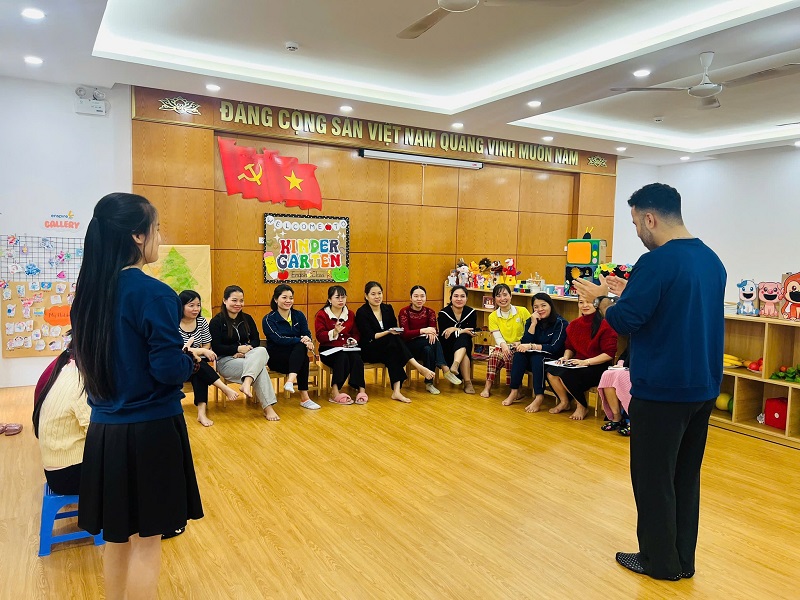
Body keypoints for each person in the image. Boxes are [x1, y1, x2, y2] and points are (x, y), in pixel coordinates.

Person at [573, 182, 725, 581]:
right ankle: (682, 560)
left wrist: (602, 299)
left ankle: (658, 562)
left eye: (636, 222)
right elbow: (673, 307)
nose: (638, 230)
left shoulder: (656, 261)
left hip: (661, 389)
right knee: (684, 477)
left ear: (650, 218)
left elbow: (626, 321)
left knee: (654, 479)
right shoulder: (711, 260)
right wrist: (631, 293)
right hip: (703, 387)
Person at [70, 192, 203, 599]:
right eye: (157, 228)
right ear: (137, 236)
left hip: (105, 432)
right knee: (148, 541)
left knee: (118, 537)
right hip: (151, 431)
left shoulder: (88, 294)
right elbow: (166, 369)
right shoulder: (153, 293)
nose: (160, 237)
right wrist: (190, 362)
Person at [355, 281, 434, 403]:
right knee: (393, 341)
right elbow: (371, 336)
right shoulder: (362, 312)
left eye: (379, 293)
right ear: (366, 296)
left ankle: (396, 392)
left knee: (393, 352)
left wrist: (393, 331)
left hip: (388, 346)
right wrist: (388, 332)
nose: (377, 297)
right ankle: (418, 366)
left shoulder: (387, 308)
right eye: (373, 294)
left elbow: (394, 329)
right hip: (370, 349)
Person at [209, 285, 280, 421]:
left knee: (262, 350)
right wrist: (236, 349)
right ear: (225, 300)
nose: (238, 304)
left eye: (241, 301)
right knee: (260, 369)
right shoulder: (216, 322)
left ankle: (247, 382)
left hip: (248, 357)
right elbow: (217, 347)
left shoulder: (247, 318)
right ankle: (268, 408)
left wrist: (246, 350)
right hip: (226, 361)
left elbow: (255, 340)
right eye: (234, 300)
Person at [545, 297, 617, 420]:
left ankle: (581, 405)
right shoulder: (574, 324)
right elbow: (570, 347)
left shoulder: (606, 324)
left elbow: (609, 354)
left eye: (589, 302)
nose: (585, 305)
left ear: (597, 304)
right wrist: (565, 357)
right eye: (581, 302)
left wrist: (586, 362)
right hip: (579, 362)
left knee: (567, 375)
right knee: (551, 372)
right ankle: (564, 402)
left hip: (598, 365)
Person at [32, 347, 89, 495]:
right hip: (67, 474)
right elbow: (96, 434)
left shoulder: (65, 368)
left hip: (56, 468)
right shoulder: (80, 383)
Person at [179, 290, 240, 427]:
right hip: (180, 364)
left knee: (199, 370)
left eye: (198, 305)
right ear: (181, 306)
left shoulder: (201, 322)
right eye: (191, 305)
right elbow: (179, 349)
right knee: (196, 363)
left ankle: (201, 413)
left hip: (198, 364)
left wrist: (198, 352)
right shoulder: (174, 323)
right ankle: (224, 388)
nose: (196, 309)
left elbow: (207, 345)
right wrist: (200, 351)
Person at [502, 293, 568, 413]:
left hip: (553, 358)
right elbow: (525, 343)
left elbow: (554, 347)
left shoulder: (561, 323)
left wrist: (532, 346)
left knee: (538, 358)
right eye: (536, 307)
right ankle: (514, 391)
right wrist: (533, 324)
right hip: (533, 357)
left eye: (543, 305)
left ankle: (539, 396)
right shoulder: (531, 320)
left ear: (550, 305)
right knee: (519, 354)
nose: (540, 309)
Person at [262, 284, 321, 410]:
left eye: (291, 298)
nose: (288, 301)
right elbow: (278, 339)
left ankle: (291, 381)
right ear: (276, 299)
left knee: (302, 353)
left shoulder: (298, 315)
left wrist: (307, 339)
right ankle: (304, 398)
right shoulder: (268, 319)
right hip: (277, 359)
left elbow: (306, 332)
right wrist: (301, 340)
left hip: (295, 358)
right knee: (302, 351)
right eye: (284, 297)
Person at [399, 285, 462, 395]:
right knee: (432, 341)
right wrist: (423, 331)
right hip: (409, 347)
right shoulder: (404, 312)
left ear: (426, 297)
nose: (419, 299)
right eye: (416, 296)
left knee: (428, 348)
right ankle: (445, 368)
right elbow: (405, 334)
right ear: (410, 298)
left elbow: (434, 331)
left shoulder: (430, 312)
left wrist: (430, 332)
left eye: (422, 296)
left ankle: (429, 384)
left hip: (426, 345)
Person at [314, 285, 368, 405]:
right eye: (337, 297)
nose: (341, 300)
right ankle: (335, 391)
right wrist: (334, 332)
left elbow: (356, 333)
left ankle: (361, 390)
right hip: (328, 350)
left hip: (347, 348)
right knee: (341, 357)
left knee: (356, 358)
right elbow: (320, 336)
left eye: (343, 297)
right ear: (329, 299)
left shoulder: (350, 314)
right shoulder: (322, 315)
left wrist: (352, 340)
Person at [480, 284, 531, 398]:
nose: (502, 298)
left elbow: (530, 331)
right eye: (498, 296)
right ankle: (487, 387)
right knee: (494, 356)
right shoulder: (493, 316)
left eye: (505, 295)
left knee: (511, 357)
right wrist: (504, 346)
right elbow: (497, 336)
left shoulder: (522, 311)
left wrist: (521, 342)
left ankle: (515, 389)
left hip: (521, 346)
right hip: (503, 346)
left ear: (510, 295)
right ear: (494, 299)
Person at [438, 285, 478, 394]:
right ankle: (467, 382)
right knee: (464, 339)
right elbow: (444, 335)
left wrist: (455, 329)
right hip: (447, 348)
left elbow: (472, 332)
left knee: (464, 339)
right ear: (451, 298)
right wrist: (462, 330)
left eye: (462, 296)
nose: (459, 299)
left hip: (464, 346)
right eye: (456, 296)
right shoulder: (443, 313)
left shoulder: (471, 312)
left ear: (467, 298)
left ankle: (456, 364)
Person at [597, 347, 632, 436]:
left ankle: (633, 421)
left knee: (622, 377)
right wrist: (620, 364)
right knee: (607, 374)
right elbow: (625, 354)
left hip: (642, 370)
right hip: (627, 368)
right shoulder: (633, 339)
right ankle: (617, 417)